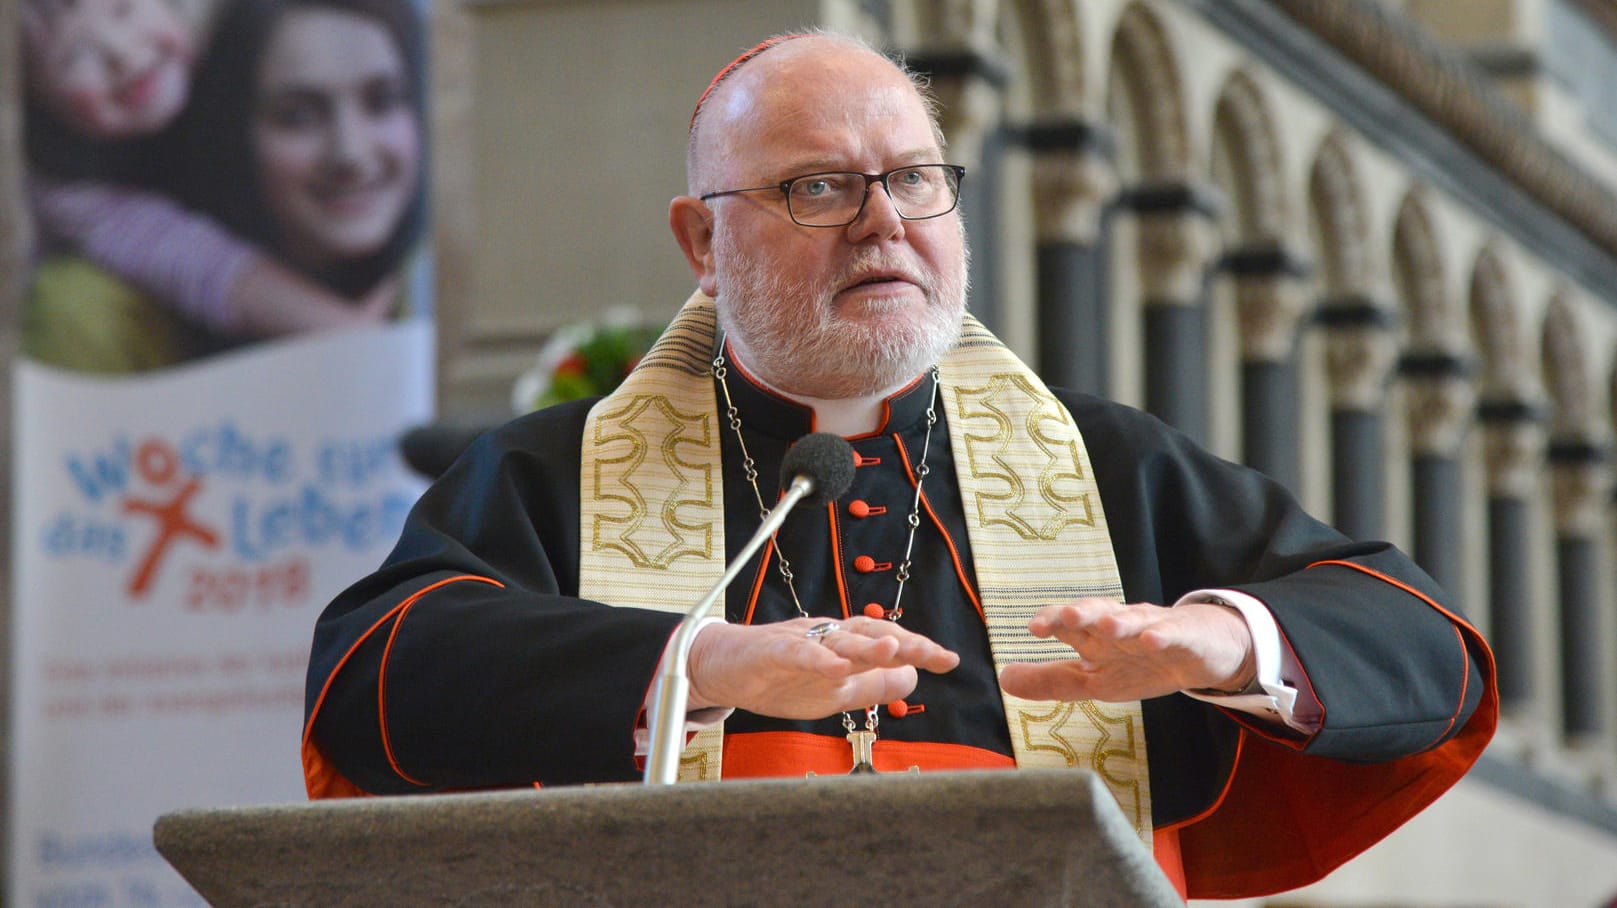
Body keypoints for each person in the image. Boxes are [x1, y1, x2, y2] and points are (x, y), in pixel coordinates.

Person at [302, 31, 1496, 900]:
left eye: (914, 177)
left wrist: (1227, 643)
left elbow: (1423, 641)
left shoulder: (1104, 465)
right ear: (701, 241)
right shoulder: (550, 472)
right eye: (817, 185)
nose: (883, 220)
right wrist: (697, 660)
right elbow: (375, 670)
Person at [18, 0, 417, 373]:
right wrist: (350, 329)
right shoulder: (68, 191)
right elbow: (205, 267)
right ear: (38, 104)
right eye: (76, 55)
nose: (120, 53)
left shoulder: (226, 36)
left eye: (123, 10)